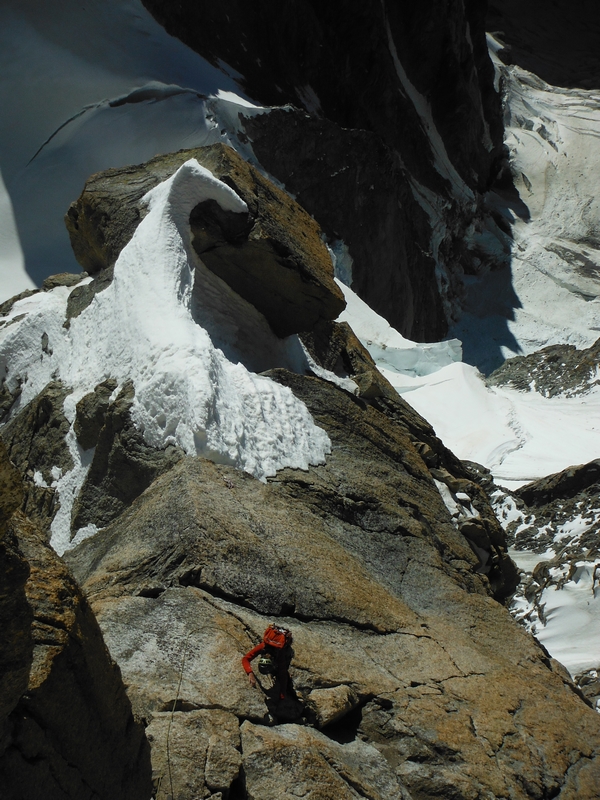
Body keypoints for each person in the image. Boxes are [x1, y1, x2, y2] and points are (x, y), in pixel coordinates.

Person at [242, 624, 293, 700]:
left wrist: (283, 692)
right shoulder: (263, 646)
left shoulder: (280, 653)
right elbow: (245, 659)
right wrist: (250, 673)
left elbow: (283, 673)